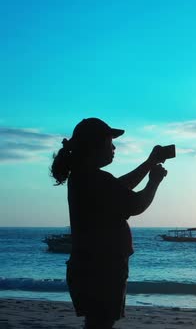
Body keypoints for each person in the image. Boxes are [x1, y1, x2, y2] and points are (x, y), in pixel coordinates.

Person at [50, 117, 168, 329]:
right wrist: (154, 182)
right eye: (109, 141)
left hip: (89, 266)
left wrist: (149, 163)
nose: (113, 147)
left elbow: (119, 188)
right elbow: (136, 204)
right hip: (103, 268)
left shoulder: (85, 177)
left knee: (96, 323)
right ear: (95, 145)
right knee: (101, 323)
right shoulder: (96, 179)